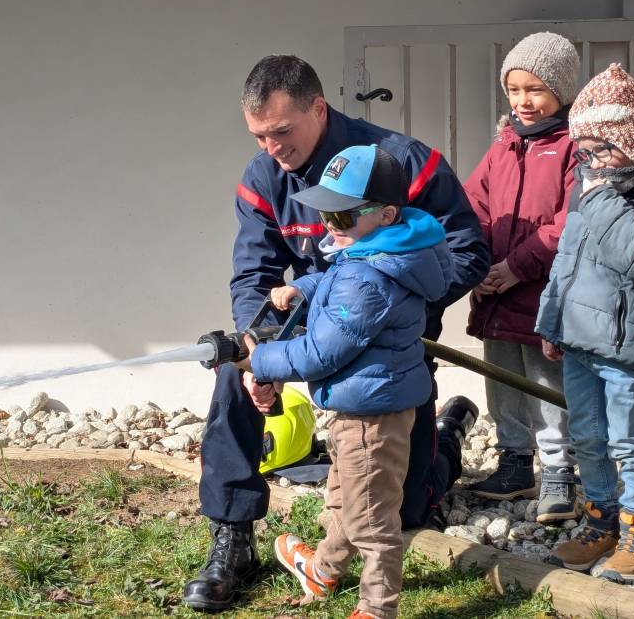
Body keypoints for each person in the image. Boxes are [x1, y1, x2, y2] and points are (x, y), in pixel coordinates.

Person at [182, 54, 490, 611]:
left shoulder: (406, 162)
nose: (271, 149)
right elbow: (254, 275)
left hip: (392, 353)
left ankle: (446, 440)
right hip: (314, 324)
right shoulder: (262, 177)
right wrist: (259, 346)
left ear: (318, 109)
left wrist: (393, 309)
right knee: (235, 376)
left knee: (405, 512)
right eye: (258, 136)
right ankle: (232, 537)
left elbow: (468, 251)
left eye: (281, 132)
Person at [232, 143, 455, 619]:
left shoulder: (368, 278)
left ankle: (377, 608)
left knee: (373, 521)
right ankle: (324, 569)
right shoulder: (387, 250)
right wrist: (304, 287)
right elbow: (338, 278)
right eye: (326, 216)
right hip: (372, 403)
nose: (330, 229)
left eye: (340, 218)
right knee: (347, 496)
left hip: (369, 416)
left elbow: (320, 352)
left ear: (386, 213)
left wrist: (263, 359)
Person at [537, 63, 634, 582]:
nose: (591, 161)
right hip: (578, 341)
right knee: (589, 438)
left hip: (623, 349)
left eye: (603, 148)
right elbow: (566, 261)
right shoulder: (592, 190)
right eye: (585, 149)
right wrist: (551, 322)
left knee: (626, 440)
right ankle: (601, 520)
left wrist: (601, 199)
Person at [463, 32, 580, 521]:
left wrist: (516, 267)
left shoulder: (574, 146)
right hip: (496, 289)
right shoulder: (503, 145)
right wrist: (479, 265)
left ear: (561, 90)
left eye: (535, 89)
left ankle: (558, 472)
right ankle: (514, 463)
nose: (523, 102)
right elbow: (474, 207)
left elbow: (569, 223)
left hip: (543, 294)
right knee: (502, 376)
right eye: (514, 90)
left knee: (547, 385)